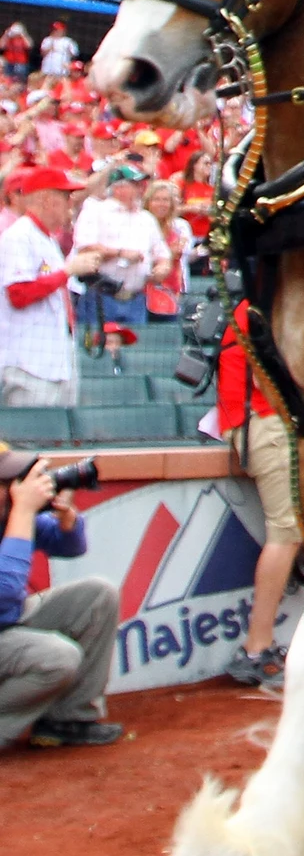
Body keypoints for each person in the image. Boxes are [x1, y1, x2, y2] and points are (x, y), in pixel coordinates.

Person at [0, 448, 122, 748]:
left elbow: (71, 547)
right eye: (12, 481)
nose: (22, 486)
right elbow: (5, 591)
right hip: (5, 612)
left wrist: (68, 521)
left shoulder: (8, 514)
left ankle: (68, 720)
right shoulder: (17, 513)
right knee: (58, 657)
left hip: (7, 622)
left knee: (97, 595)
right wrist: (23, 511)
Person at [215, 307, 298, 691]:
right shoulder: (258, 307)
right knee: (286, 534)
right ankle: (256, 647)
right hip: (265, 426)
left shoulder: (253, 304)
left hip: (256, 426)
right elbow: (270, 381)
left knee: (292, 533)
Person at [1, 167, 106, 409]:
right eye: (65, 196)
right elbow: (18, 294)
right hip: (28, 362)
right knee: (31, 439)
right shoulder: (18, 236)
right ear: (46, 199)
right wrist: (67, 271)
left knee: (62, 441)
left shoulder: (46, 238)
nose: (71, 202)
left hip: (56, 358)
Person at [70, 164, 165, 367]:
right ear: (118, 187)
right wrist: (120, 253)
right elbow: (85, 249)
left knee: (137, 361)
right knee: (96, 358)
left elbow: (162, 254)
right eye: (135, 184)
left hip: (136, 298)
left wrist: (162, 268)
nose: (141, 188)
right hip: (103, 296)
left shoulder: (146, 219)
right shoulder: (96, 211)